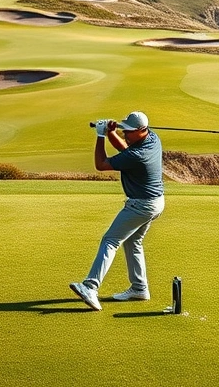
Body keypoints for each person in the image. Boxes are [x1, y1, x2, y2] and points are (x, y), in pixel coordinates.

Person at [69, 111, 164, 311]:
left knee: (110, 240)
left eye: (128, 132)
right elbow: (124, 152)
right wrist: (113, 131)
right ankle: (139, 288)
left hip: (142, 205)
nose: (125, 135)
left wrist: (101, 135)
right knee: (132, 241)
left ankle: (90, 287)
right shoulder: (153, 138)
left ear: (141, 131)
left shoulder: (139, 155)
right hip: (155, 202)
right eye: (125, 130)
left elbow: (101, 165)